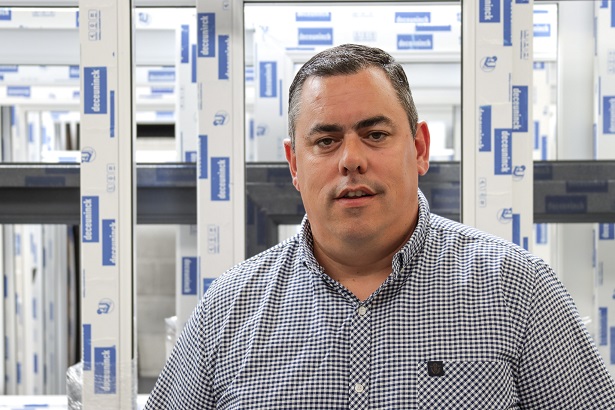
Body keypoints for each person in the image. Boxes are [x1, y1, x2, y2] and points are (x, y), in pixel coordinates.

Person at [145, 44, 615, 408]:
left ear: (420, 148)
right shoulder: (226, 311)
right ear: (293, 164)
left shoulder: (520, 292)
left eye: (375, 135)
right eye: (326, 140)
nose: (351, 160)